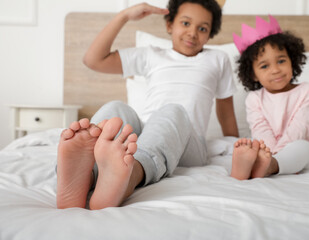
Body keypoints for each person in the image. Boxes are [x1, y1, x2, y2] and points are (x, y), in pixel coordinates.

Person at [56, 0, 239, 210]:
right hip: (146, 137)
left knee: (173, 111)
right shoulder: (152, 54)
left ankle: (130, 174)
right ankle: (86, 175)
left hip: (188, 144)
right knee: (118, 109)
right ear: (170, 24)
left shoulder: (218, 59)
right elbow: (93, 60)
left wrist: (236, 146)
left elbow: (225, 112)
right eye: (186, 23)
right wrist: (123, 16)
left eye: (202, 28)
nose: (192, 33)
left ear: (210, 35)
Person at [230, 15, 309, 180]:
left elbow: (300, 128)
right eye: (264, 66)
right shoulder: (254, 99)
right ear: (253, 74)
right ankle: (251, 166)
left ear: (292, 60)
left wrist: (275, 155)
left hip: (297, 152)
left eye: (281, 61)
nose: (275, 70)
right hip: (267, 151)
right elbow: (260, 129)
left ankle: (270, 165)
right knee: (253, 144)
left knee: (303, 146)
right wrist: (266, 152)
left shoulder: (308, 91)